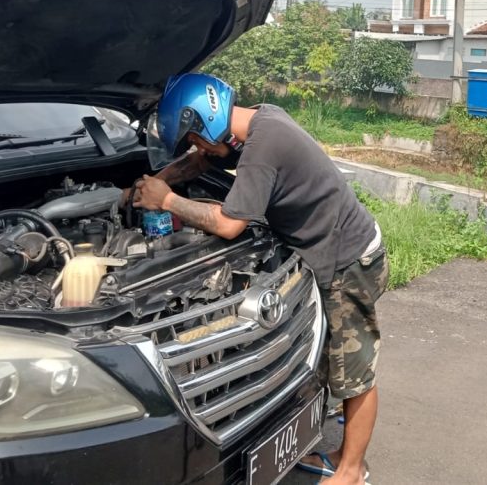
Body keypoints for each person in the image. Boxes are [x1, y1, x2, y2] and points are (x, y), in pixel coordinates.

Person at [132, 73, 386, 485]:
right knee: (328, 357)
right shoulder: (255, 123)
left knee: (354, 370)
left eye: (196, 138)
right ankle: (340, 452)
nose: (198, 150)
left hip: (350, 259)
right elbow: (199, 162)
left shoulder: (264, 147)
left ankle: (353, 470)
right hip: (329, 253)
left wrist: (167, 200)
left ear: (207, 120)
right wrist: (161, 179)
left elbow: (230, 226)